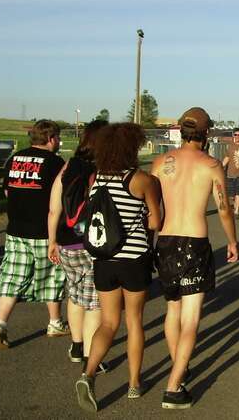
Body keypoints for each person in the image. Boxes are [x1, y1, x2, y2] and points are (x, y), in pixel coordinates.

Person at [151, 107, 239, 409]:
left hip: (165, 240)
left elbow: (151, 207)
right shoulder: (212, 164)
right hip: (194, 242)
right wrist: (231, 240)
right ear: (207, 134)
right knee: (191, 318)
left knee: (172, 311)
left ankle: (179, 366)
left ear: (180, 131)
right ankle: (174, 386)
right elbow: (224, 208)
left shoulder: (160, 163)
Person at [75, 123, 162, 412]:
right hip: (134, 259)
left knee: (108, 322)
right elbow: (155, 223)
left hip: (104, 260)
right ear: (131, 148)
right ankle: (135, 384)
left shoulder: (97, 179)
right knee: (134, 321)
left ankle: (88, 374)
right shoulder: (142, 180)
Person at [0, 120, 68, 349]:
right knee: (53, 275)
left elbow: (7, 190)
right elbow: (59, 199)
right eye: (58, 138)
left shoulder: (15, 158)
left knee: (13, 275)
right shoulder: (55, 162)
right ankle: (55, 322)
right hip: (44, 230)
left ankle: (0, 324)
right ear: (52, 138)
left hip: (16, 229)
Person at [47, 119, 110, 374]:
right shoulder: (104, 169)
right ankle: (89, 356)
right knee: (95, 302)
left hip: (65, 241)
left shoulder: (67, 167)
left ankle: (76, 344)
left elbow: (54, 209)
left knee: (75, 294)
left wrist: (52, 240)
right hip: (92, 243)